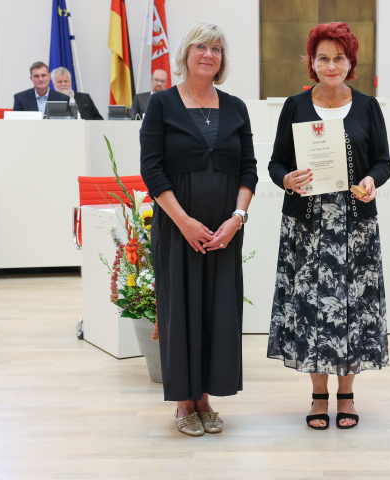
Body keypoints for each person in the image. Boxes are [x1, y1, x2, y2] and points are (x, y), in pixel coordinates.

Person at [267, 22, 390, 430]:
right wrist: (286, 179)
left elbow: (382, 162)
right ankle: (319, 396)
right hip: (307, 227)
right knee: (312, 310)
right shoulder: (295, 107)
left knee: (352, 308)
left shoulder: (368, 107)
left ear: (350, 62)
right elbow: (276, 163)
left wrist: (373, 180)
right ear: (312, 63)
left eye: (339, 57)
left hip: (354, 228)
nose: (331, 65)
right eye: (323, 58)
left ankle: (347, 394)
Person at [140, 21, 258, 437]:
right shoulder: (162, 105)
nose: (209, 54)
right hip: (178, 230)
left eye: (216, 49)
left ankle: (205, 397)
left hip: (225, 232)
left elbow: (248, 170)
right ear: (186, 54)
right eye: (200, 47)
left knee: (218, 312)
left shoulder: (236, 107)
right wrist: (184, 221)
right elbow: (151, 170)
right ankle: (184, 403)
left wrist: (236, 219)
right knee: (181, 312)